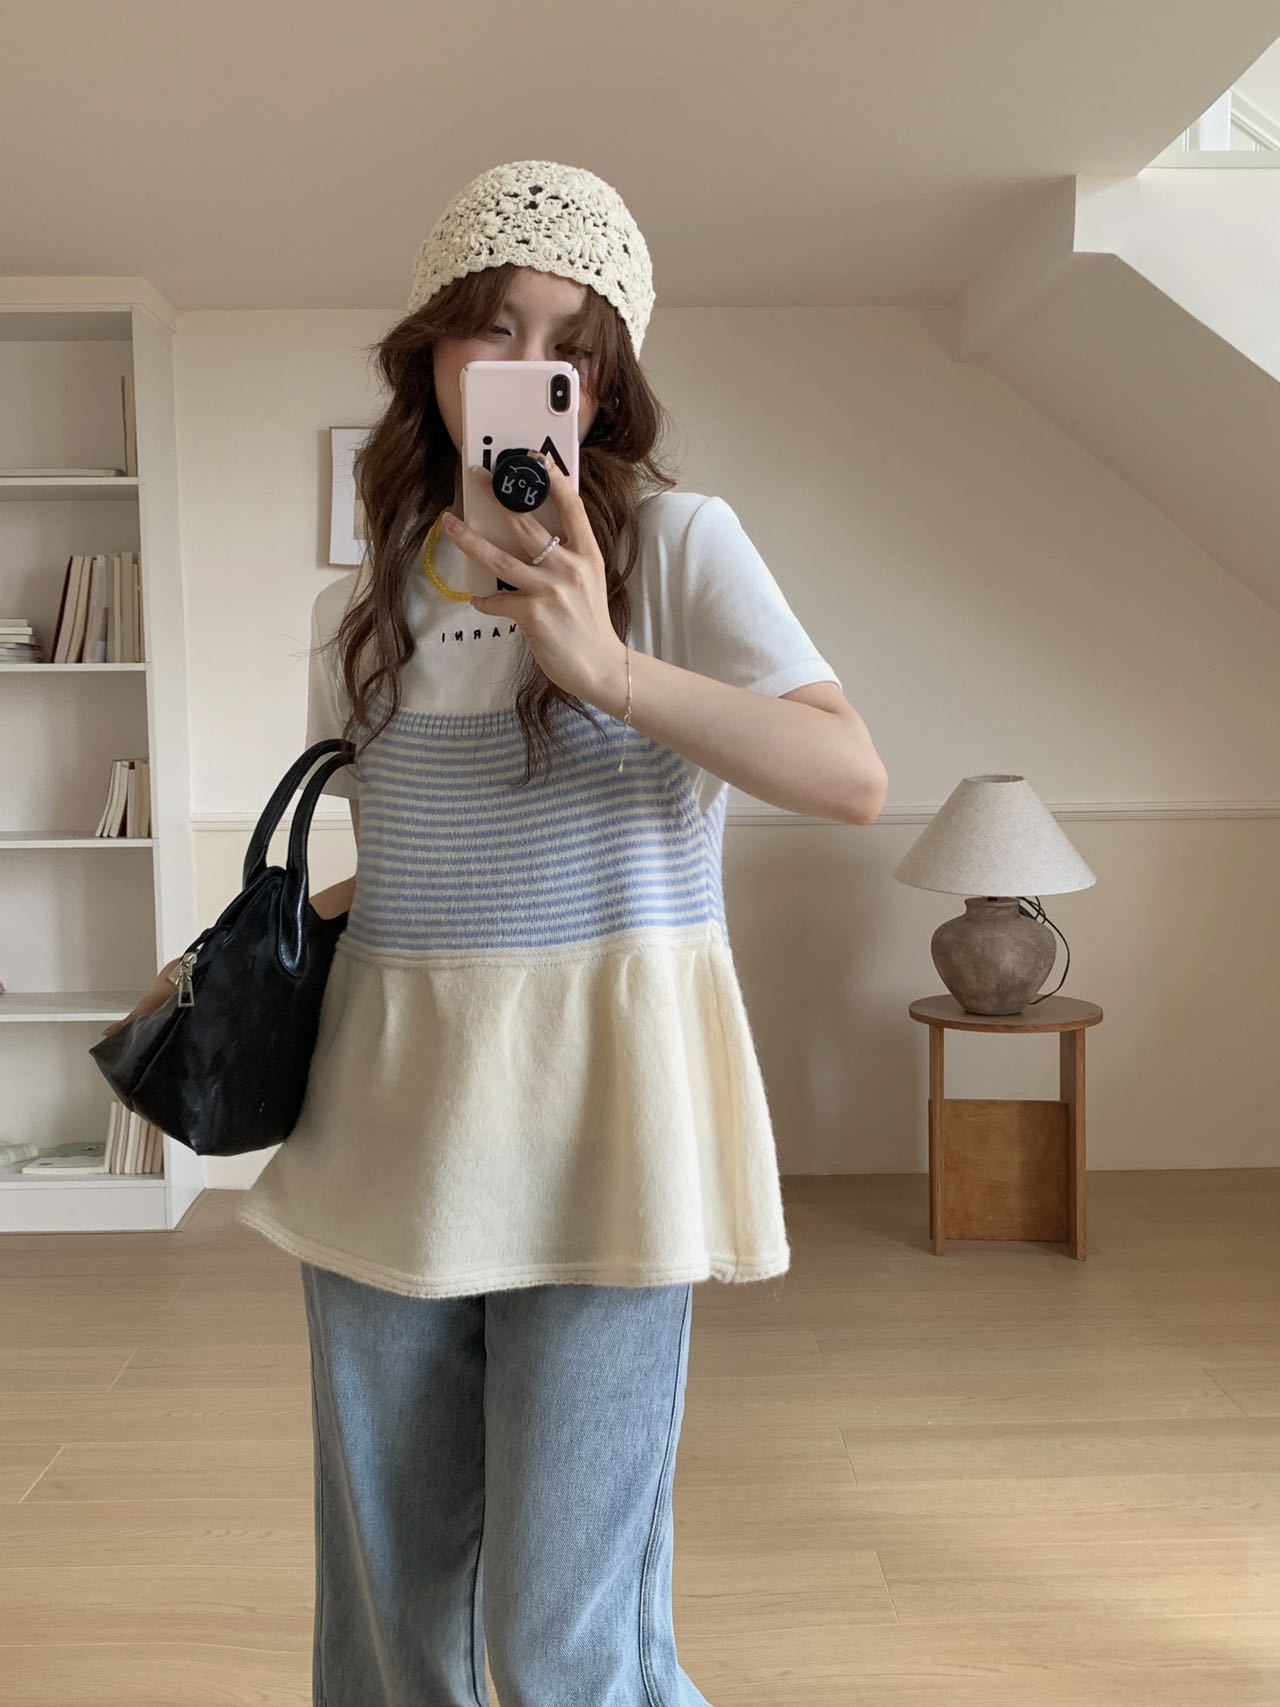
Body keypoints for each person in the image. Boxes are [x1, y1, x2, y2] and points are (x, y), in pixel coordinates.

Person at [108, 159, 888, 1707]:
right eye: (494, 328)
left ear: (603, 384)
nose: (532, 369)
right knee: (389, 1634)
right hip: (390, 1138)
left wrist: (611, 672)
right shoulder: (361, 607)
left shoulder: (678, 550)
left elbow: (851, 776)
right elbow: (410, 873)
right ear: (431, 354)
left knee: (568, 1647)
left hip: (613, 1138)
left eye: (571, 347)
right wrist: (227, 954)